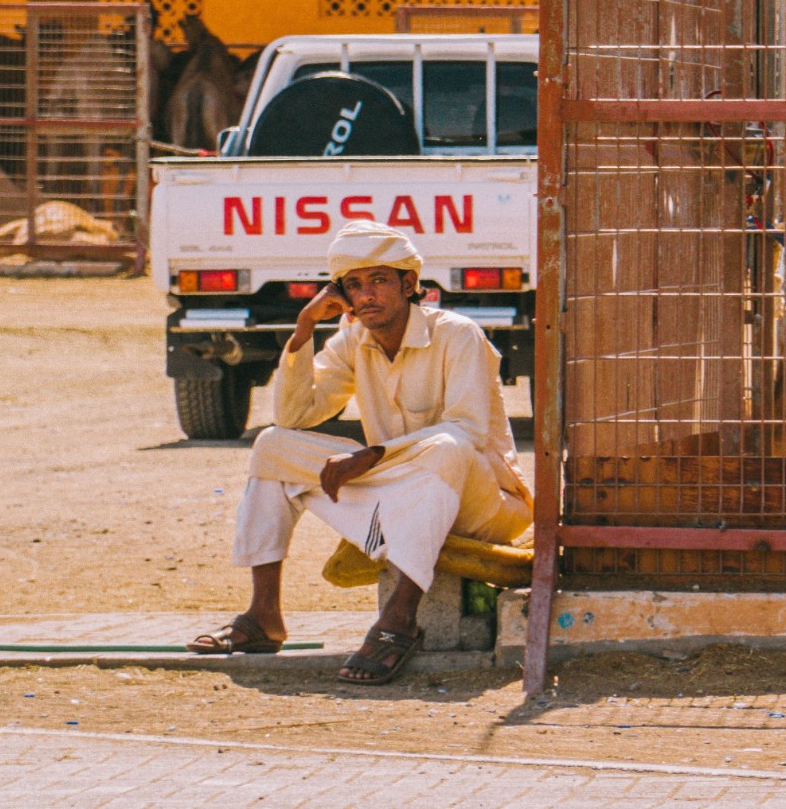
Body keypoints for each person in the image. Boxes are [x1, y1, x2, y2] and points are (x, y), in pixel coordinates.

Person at [187, 219, 530, 684]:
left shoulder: (457, 334)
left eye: (379, 281)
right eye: (354, 285)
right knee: (272, 446)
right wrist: (305, 327)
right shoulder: (353, 339)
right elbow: (294, 417)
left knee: (448, 447)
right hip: (400, 489)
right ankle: (263, 616)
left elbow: (467, 432)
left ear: (410, 285)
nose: (366, 295)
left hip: (484, 501)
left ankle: (398, 620)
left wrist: (371, 455)